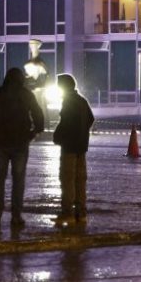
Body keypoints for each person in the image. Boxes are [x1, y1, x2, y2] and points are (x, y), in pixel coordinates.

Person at [0, 68, 44, 228]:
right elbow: (38, 115)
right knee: (18, 180)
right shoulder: (26, 94)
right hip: (20, 143)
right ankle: (16, 216)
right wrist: (34, 132)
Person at [52, 74, 94, 225]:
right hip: (81, 147)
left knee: (67, 179)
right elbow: (91, 118)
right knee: (80, 180)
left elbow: (65, 123)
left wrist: (58, 136)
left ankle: (67, 213)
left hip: (69, 146)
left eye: (59, 85)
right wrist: (82, 134)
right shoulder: (82, 101)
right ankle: (81, 213)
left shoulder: (68, 102)